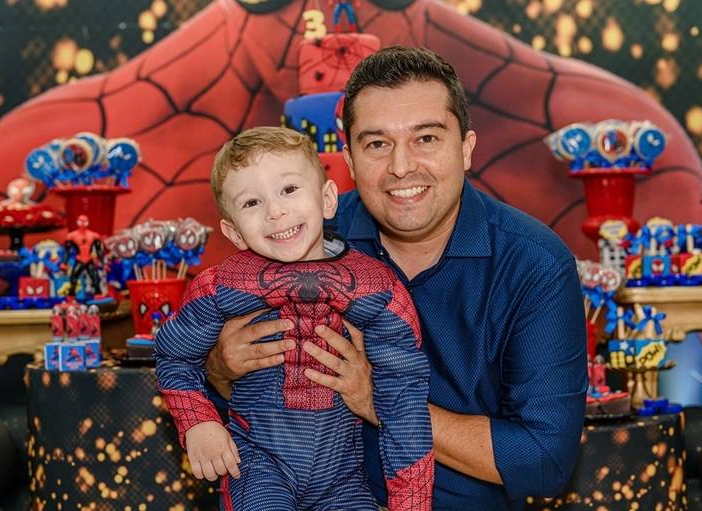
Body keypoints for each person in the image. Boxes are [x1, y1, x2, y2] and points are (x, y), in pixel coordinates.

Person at [205, 47, 588, 509]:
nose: (402, 167)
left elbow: (543, 461)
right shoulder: (298, 238)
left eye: (426, 138)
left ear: (466, 148)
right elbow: (225, 401)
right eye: (377, 144)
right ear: (348, 159)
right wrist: (221, 367)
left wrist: (378, 398)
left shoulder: (533, 265)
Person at [155, 126, 434, 511]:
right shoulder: (222, 286)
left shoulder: (375, 287)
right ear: (234, 232)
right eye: (252, 202)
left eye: (288, 189)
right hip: (257, 467)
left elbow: (406, 406)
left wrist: (410, 505)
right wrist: (199, 422)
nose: (275, 211)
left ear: (328, 199)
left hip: (344, 479)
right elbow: (173, 355)